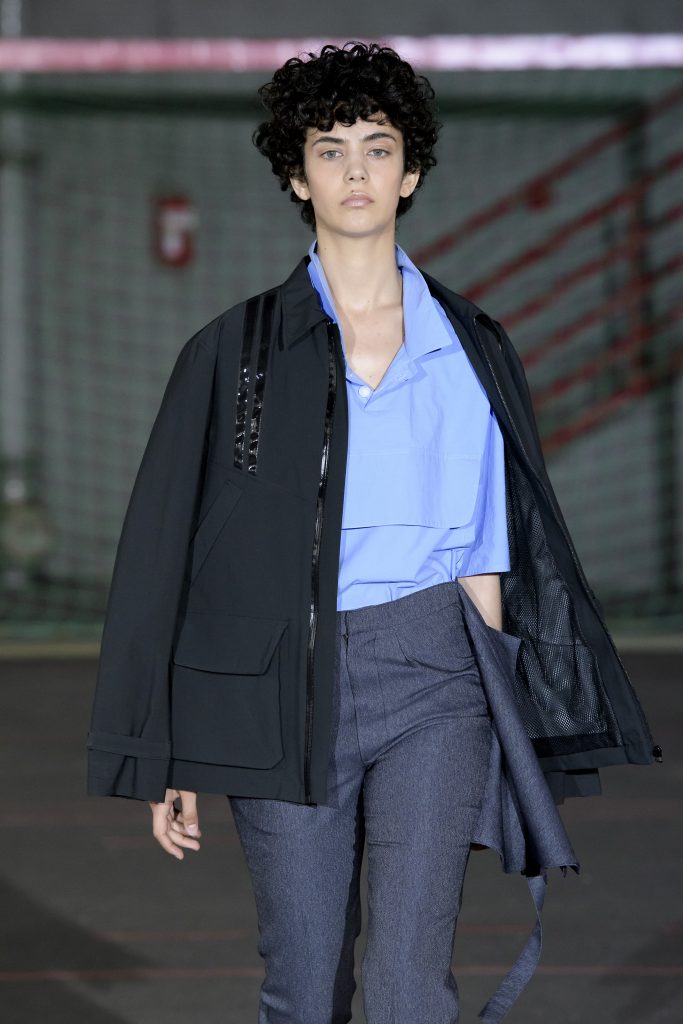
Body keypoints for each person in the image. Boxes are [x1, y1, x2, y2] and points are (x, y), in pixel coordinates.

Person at [86, 41, 661, 1024]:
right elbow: (159, 551)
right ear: (295, 176)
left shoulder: (471, 346)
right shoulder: (230, 353)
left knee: (407, 985)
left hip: (438, 677)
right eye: (329, 150)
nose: (355, 171)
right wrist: (161, 745)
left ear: (411, 171)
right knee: (304, 985)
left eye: (377, 147)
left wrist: (501, 710)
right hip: (279, 688)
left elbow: (486, 547)